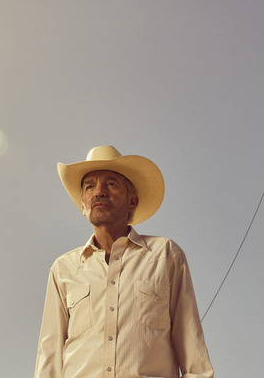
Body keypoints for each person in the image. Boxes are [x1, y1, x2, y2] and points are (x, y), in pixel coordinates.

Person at [34, 145, 214, 378]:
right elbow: (49, 356)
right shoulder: (63, 268)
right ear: (83, 206)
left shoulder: (165, 255)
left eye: (110, 184)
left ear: (132, 201)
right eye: (90, 186)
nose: (99, 192)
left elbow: (194, 357)